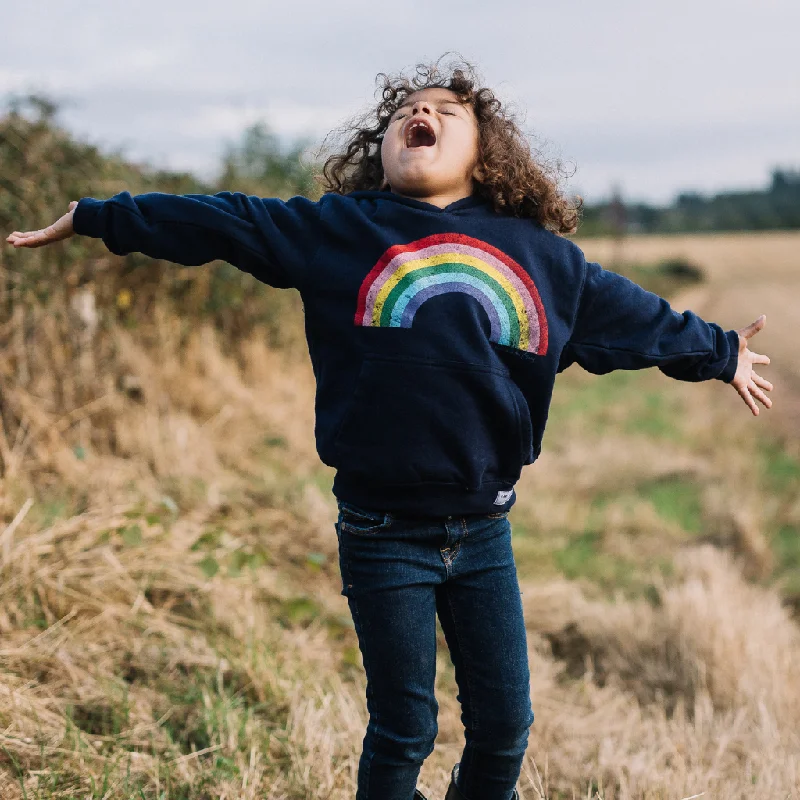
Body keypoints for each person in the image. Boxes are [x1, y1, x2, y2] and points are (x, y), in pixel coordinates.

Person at [5, 56, 773, 800]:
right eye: (407, 110)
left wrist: (723, 351)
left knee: (506, 727)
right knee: (404, 729)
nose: (420, 113)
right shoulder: (341, 230)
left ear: (487, 155)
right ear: (381, 149)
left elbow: (637, 317)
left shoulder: (542, 259)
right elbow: (226, 221)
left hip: (483, 534)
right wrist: (100, 216)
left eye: (446, 110)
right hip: (379, 533)